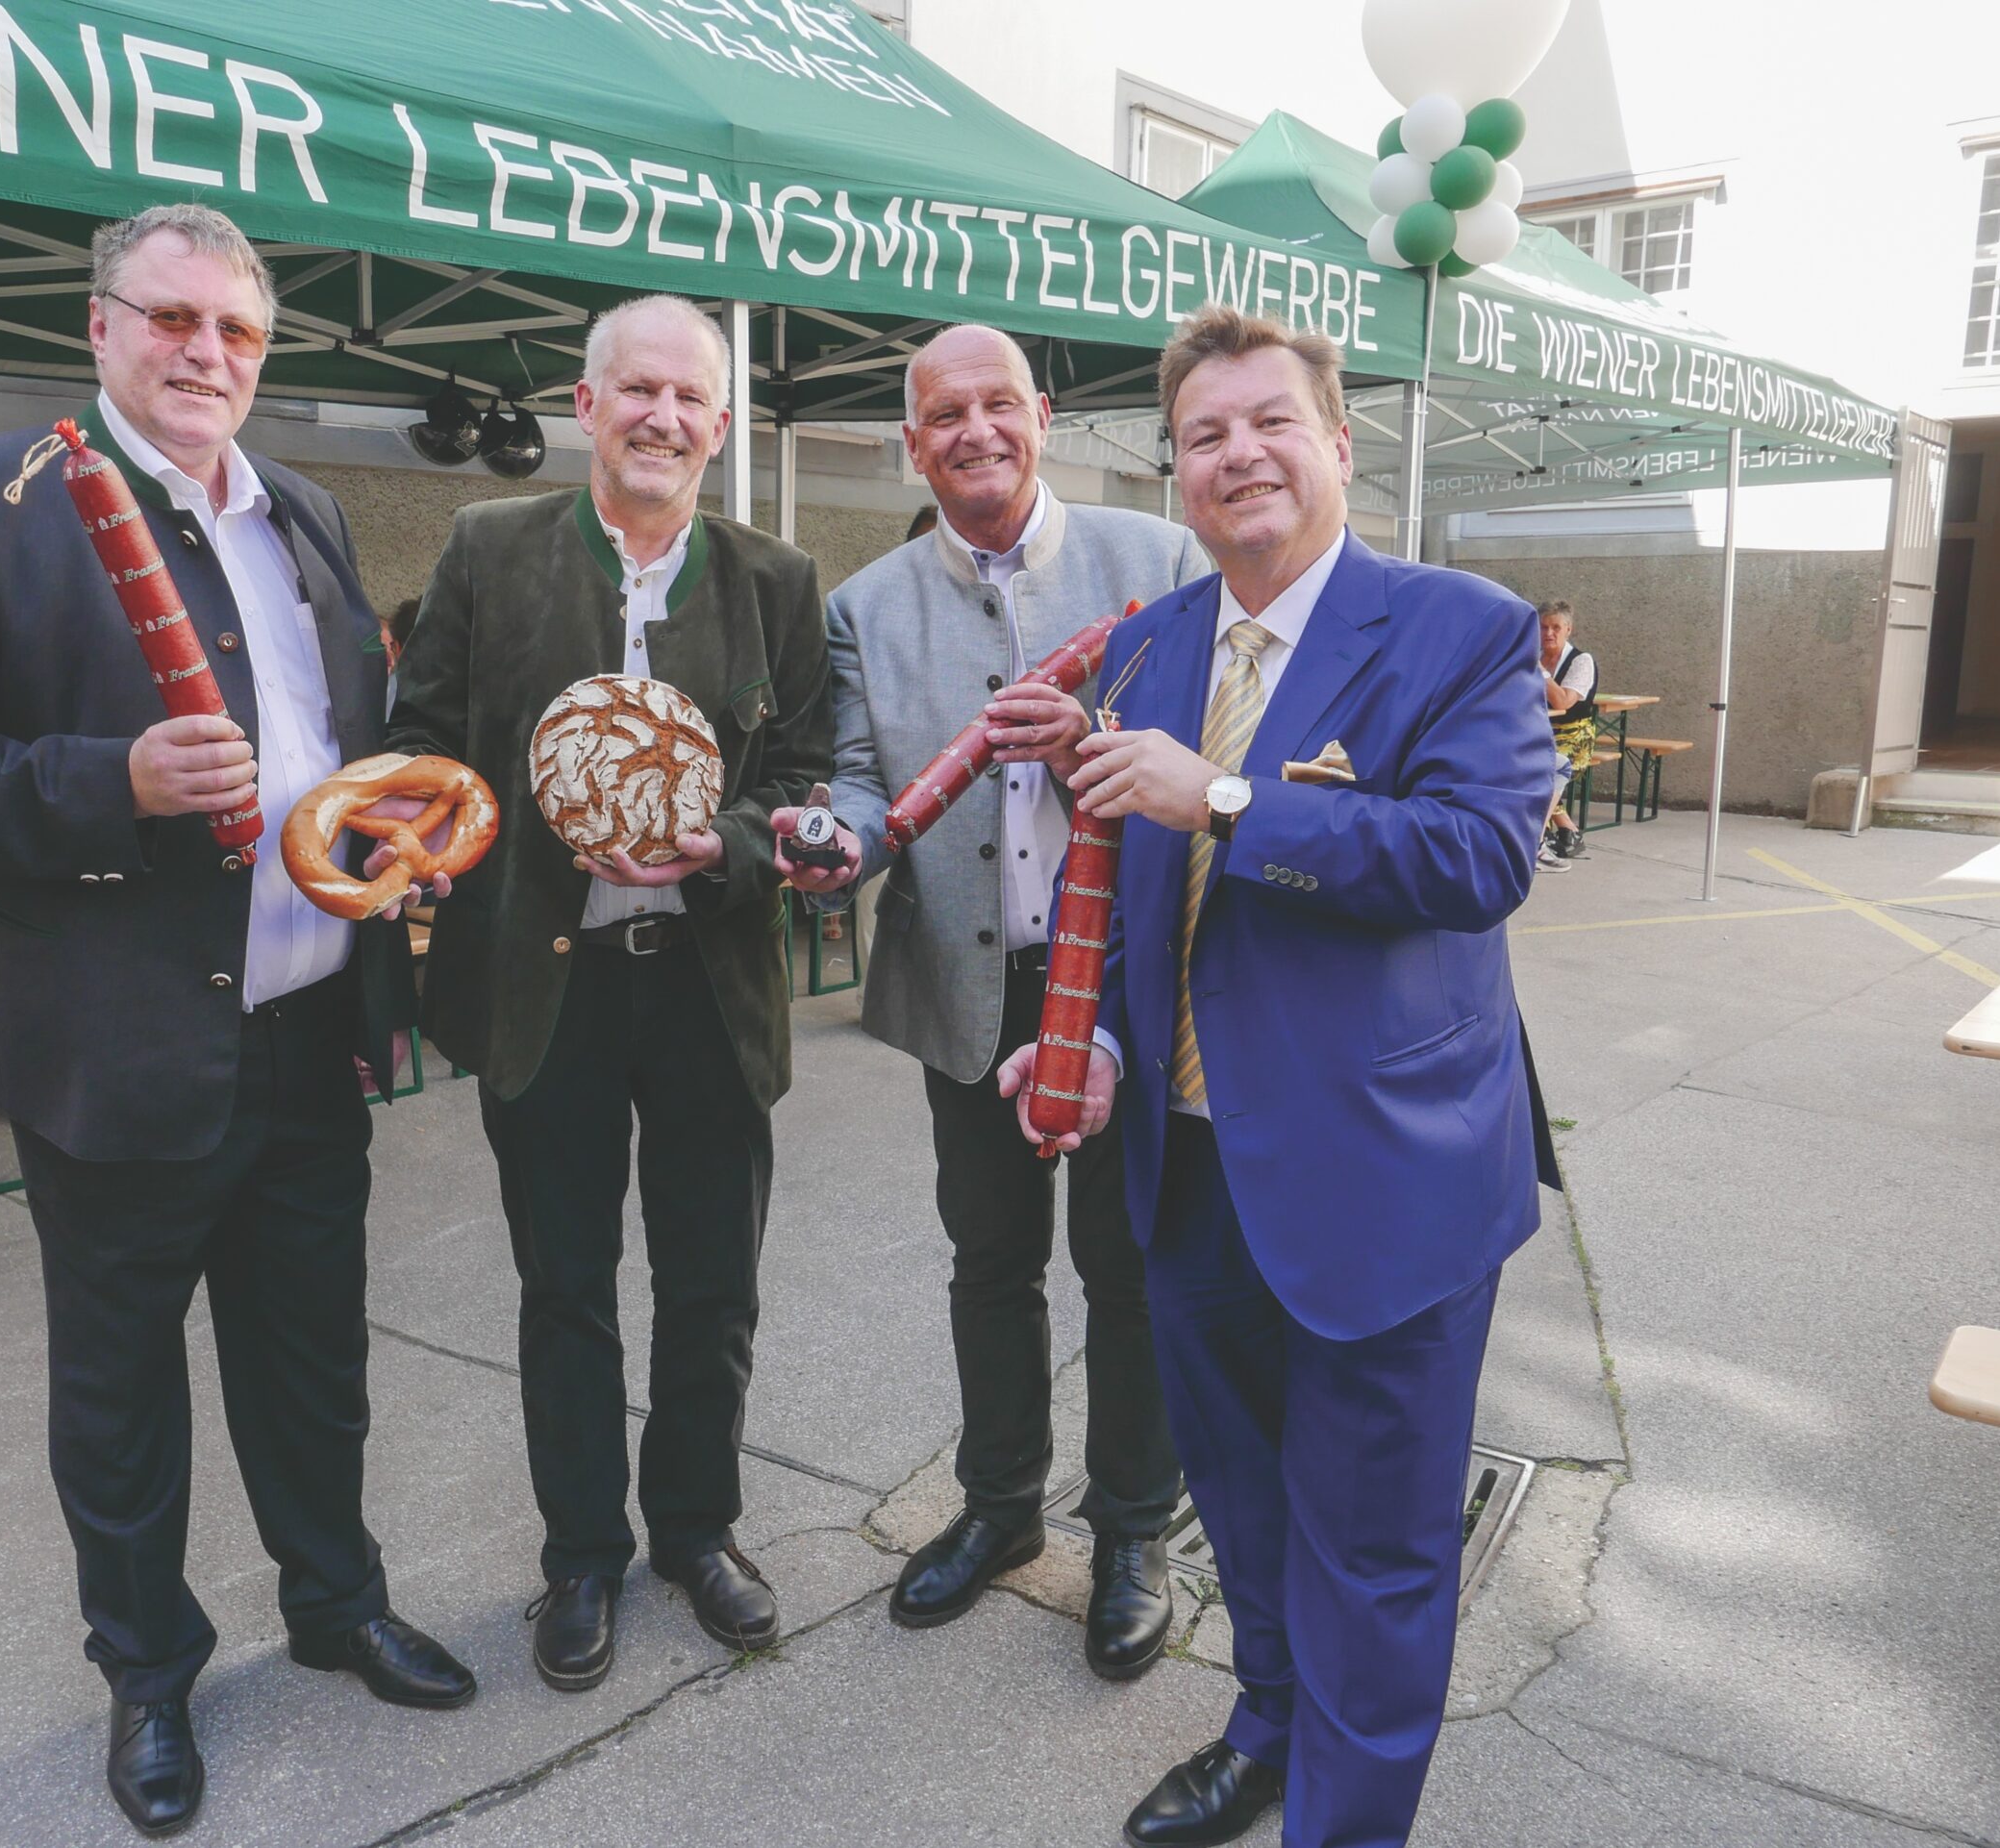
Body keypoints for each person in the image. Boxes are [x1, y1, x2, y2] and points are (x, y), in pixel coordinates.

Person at [0, 203, 473, 1838]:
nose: (207, 354)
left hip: (307, 1024)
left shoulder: (308, 514)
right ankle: (147, 1673)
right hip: (116, 1044)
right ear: (101, 327)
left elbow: (345, 747)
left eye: (240, 333)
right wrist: (105, 781)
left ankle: (336, 1608)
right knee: (122, 1393)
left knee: (311, 1361)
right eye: (174, 319)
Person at [1001, 304, 1560, 1848]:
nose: (1237, 452)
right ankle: (1263, 1728)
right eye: (1203, 434)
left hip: (1385, 1180)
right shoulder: (1157, 639)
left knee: (1375, 1553)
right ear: (1175, 468)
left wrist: (1233, 795)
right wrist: (1092, 1040)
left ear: (1336, 442)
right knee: (1243, 1507)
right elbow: (1131, 893)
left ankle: (1345, 1821)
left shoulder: (1460, 625)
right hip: (1189, 1171)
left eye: (1268, 421)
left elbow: (1482, 855)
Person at [387, 294, 831, 1693]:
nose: (662, 417)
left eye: (689, 398)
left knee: (712, 1285)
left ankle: (695, 1529)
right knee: (563, 1284)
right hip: (549, 983)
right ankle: (579, 1551)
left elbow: (811, 780)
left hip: (705, 981)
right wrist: (428, 851)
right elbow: (420, 743)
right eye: (636, 390)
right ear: (586, 406)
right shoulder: (489, 548)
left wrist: (735, 846)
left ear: (718, 422)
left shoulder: (774, 579)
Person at [788, 324, 1197, 1678]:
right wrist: (841, 838)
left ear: (1044, 413)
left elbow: (1216, 749)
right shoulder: (866, 603)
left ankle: (1133, 1531)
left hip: (1132, 979)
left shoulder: (1161, 562)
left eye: (997, 405)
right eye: (943, 414)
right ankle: (1003, 1507)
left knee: (1128, 1267)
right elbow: (859, 776)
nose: (974, 430)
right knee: (990, 1262)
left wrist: (1101, 747)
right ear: (914, 441)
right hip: (972, 978)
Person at [1538, 600, 1598, 867]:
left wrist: (1542, 675)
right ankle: (1567, 831)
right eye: (1543, 627)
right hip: (1539, 731)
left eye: (1555, 627)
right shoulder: (1534, 656)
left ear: (1568, 629)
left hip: (1574, 736)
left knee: (1542, 772)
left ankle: (1536, 840)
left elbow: (1563, 703)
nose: (1548, 633)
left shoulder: (1582, 661)